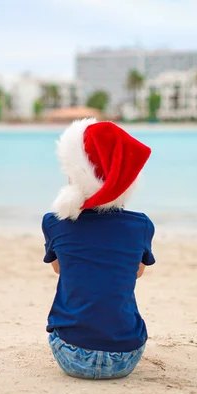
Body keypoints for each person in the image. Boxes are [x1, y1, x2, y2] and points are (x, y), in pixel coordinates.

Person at [42, 118, 155, 380]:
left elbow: (60, 268)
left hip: (69, 354)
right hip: (125, 356)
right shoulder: (141, 225)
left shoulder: (55, 222)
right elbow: (136, 272)